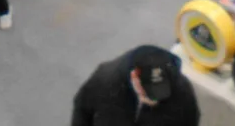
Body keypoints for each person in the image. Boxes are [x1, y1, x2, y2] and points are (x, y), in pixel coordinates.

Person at [71, 45, 200, 126]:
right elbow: (82, 110)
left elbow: (191, 120)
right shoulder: (105, 80)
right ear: (135, 77)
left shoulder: (182, 92)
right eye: (150, 91)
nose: (155, 99)